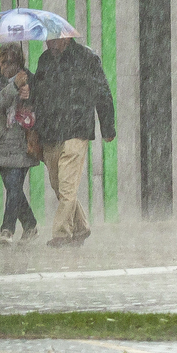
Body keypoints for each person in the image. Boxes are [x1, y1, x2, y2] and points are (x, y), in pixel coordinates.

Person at [32, 36, 115, 248]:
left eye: (53, 40)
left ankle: (61, 234)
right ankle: (81, 227)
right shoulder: (44, 61)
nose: (49, 44)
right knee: (58, 184)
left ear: (66, 38)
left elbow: (102, 92)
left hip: (77, 129)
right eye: (47, 41)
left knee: (68, 185)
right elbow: (38, 96)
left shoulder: (86, 58)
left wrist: (107, 127)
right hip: (51, 132)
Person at [0, 43, 39, 245]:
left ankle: (7, 229)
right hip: (1, 144)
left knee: (14, 186)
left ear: (20, 63)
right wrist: (14, 87)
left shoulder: (29, 79)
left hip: (22, 144)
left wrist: (29, 94)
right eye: (3, 62)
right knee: (13, 188)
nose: (7, 66)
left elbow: (40, 103)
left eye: (12, 62)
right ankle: (30, 225)